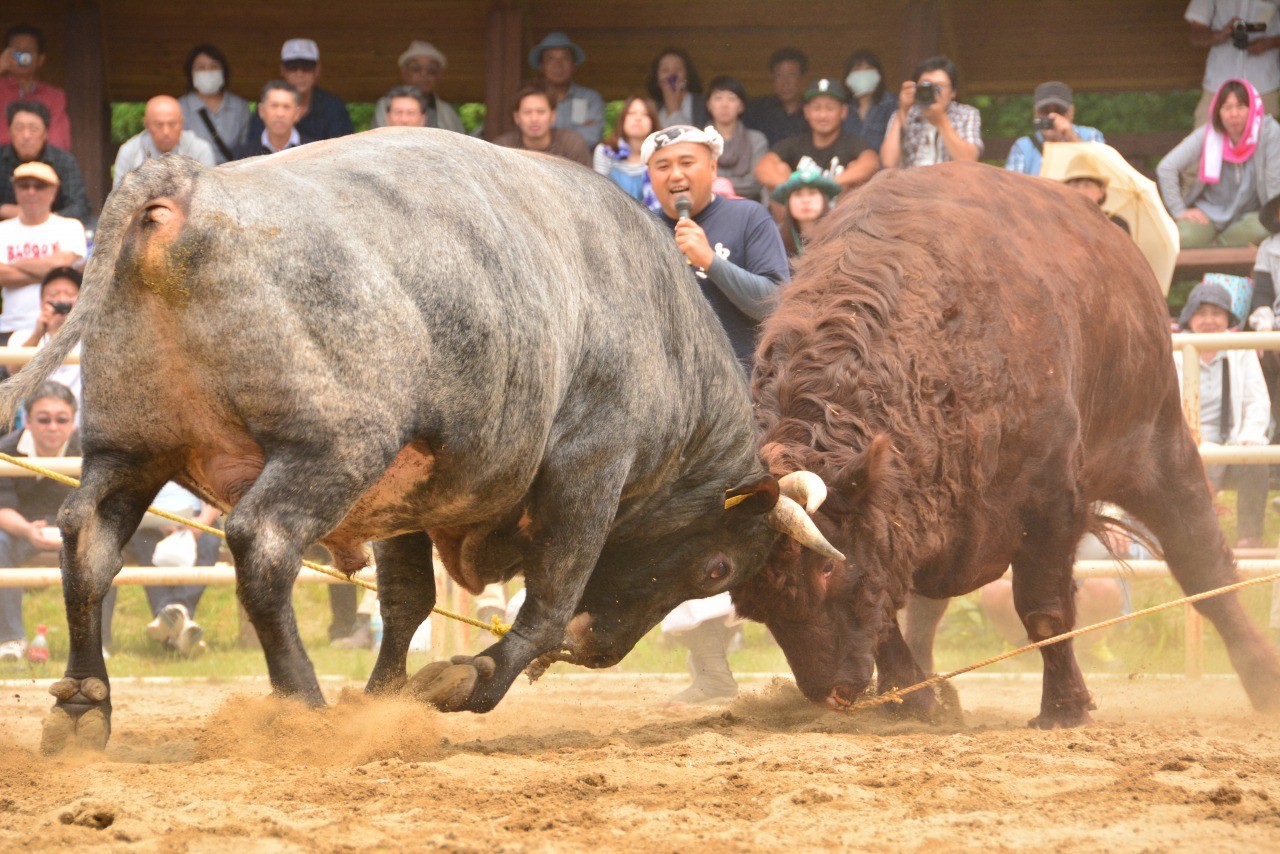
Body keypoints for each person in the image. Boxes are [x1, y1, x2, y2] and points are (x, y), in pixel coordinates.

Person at [643, 124, 789, 703]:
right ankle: (710, 675)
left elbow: (775, 302)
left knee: (757, 531)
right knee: (680, 536)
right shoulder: (637, 229)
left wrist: (708, 261)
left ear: (712, 166)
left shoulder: (748, 219)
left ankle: (816, 664)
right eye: (662, 166)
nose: (675, 175)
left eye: (687, 162)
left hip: (745, 405)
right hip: (665, 414)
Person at [0, 382, 115, 661]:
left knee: (103, 546)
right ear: (27, 421)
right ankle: (10, 639)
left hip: (75, 528)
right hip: (20, 529)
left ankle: (93, 642)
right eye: (44, 419)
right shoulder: (6, 451)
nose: (53, 427)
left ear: (74, 421)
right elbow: (2, 509)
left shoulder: (90, 452)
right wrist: (27, 530)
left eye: (61, 420)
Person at [1175, 279, 1271, 547]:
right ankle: (1182, 546)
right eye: (1201, 313)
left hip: (1231, 442)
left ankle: (1249, 539)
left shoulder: (1241, 349)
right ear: (1189, 318)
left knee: (1256, 460)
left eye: (1217, 313)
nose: (1209, 320)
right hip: (1185, 445)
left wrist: (1249, 437)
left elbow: (1257, 400)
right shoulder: (1174, 349)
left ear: (1228, 318)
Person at [1157, 77, 1280, 248]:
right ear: (1218, 111)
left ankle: (1217, 246)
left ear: (1252, 108)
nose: (1234, 114)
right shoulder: (1208, 133)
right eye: (1227, 107)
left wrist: (1274, 215)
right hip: (1208, 215)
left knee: (1264, 229)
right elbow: (1166, 167)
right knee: (1181, 237)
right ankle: (1218, 245)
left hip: (1250, 215)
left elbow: (1275, 180)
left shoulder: (1269, 132)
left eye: (1241, 106)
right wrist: (1179, 210)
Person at [0, 162, 85, 346]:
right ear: (15, 190)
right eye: (24, 186)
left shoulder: (70, 226)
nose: (31, 192)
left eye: (39, 186)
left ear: (53, 191)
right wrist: (54, 271)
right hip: (11, 328)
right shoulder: (2, 230)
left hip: (63, 327)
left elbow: (63, 263)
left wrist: (14, 265)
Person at [755, 78, 879, 196]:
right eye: (816, 108)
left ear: (843, 111)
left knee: (854, 171)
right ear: (806, 112)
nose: (823, 115)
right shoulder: (796, 143)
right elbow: (763, 167)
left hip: (840, 206)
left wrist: (830, 185)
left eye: (830, 108)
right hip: (801, 206)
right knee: (780, 169)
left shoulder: (853, 143)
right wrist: (793, 188)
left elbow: (871, 163)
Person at [880, 55, 983, 169]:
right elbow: (889, 163)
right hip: (912, 179)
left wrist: (941, 120)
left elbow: (969, 160)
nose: (932, 92)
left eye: (939, 86)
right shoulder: (905, 113)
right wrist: (902, 111)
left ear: (953, 92)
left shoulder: (966, 114)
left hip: (951, 179)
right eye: (926, 86)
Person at [1187, 1, 1280, 125]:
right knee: (1206, 135)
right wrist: (1220, 35)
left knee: (1266, 136)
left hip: (1264, 84)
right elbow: (1195, 35)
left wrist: (1270, 43)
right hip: (1218, 84)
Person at [246, 38, 353, 145]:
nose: (299, 73)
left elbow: (344, 149)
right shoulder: (268, 105)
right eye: (292, 66)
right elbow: (253, 147)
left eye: (307, 66)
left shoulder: (334, 107)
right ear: (282, 70)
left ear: (317, 70)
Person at [0, 100, 89, 223]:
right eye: (19, 128)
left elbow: (80, 206)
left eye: (33, 129)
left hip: (53, 230)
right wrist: (4, 210)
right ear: (10, 131)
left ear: (45, 133)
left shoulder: (64, 161)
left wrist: (46, 220)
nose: (26, 136)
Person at [10, 267, 82, 403]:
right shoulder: (21, 336)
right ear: (41, 301)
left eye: (69, 293)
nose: (62, 299)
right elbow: (13, 370)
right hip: (36, 414)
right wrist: (38, 333)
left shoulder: (92, 338)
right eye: (54, 294)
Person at [112, 95, 216, 188]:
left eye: (172, 124)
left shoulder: (199, 150)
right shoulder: (129, 151)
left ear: (182, 123)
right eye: (159, 125)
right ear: (146, 124)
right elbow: (118, 198)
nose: (166, 131)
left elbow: (209, 194)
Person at [1005, 81, 1106, 176]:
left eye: (1060, 110)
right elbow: (1011, 185)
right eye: (1044, 110)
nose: (1052, 116)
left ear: (1071, 111)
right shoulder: (1023, 147)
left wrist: (1071, 136)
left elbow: (1103, 172)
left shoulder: (1091, 136)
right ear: (1035, 113)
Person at [0, 23, 69, 151]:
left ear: (40, 59)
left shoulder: (55, 96)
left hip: (41, 161)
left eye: (27, 52)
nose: (22, 57)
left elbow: (59, 142)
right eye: (16, 52)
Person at [177, 43, 250, 165]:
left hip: (232, 174)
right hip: (192, 174)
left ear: (223, 71)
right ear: (191, 73)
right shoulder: (179, 107)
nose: (208, 71)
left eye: (214, 66)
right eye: (201, 67)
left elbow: (246, 148)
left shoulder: (240, 107)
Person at [528, 32, 605, 148]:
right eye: (550, 59)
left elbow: (592, 136)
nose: (558, 65)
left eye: (565, 58)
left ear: (574, 65)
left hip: (579, 160)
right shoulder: (530, 100)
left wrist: (545, 139)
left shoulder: (589, 98)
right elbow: (527, 137)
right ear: (541, 67)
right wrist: (574, 135)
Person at [372, 40, 465, 133]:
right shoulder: (385, 105)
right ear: (404, 72)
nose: (424, 74)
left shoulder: (447, 112)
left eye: (431, 70)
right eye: (416, 68)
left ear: (439, 75)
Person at [492, 83, 592, 167]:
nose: (534, 119)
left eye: (541, 111)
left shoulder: (572, 143)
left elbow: (586, 182)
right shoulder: (502, 147)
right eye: (527, 112)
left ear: (553, 116)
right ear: (517, 117)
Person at [592, 95, 661, 211]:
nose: (638, 118)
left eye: (645, 114)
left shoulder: (661, 153)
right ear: (622, 119)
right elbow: (598, 193)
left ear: (653, 122)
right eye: (631, 113)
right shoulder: (605, 151)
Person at [704, 76, 767, 203]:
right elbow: (697, 181)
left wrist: (717, 185)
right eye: (718, 98)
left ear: (741, 106)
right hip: (709, 206)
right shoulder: (699, 141)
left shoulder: (756, 140)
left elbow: (754, 183)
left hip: (748, 206)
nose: (724, 104)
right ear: (709, 105)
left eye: (731, 98)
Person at [743, 47, 809, 146]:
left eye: (791, 75)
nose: (785, 83)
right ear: (772, 78)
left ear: (803, 78)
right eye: (779, 76)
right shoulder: (757, 110)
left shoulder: (813, 111)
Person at [232, 81, 311, 159]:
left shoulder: (312, 151)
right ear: (261, 110)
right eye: (274, 106)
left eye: (286, 107)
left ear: (297, 113)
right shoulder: (243, 154)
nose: (280, 114)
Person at [772, 166, 840, 259]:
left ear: (824, 199)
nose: (805, 200)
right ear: (788, 202)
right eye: (798, 194)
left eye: (812, 193)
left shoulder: (840, 235)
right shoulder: (775, 240)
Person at [1058, 153, 1131, 233]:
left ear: (1101, 191)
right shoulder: (1057, 224)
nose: (1081, 192)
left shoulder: (1117, 225)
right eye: (1075, 186)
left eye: (1087, 185)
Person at [841, 48, 898, 151]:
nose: (863, 74)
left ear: (878, 74)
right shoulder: (843, 107)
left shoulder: (891, 104)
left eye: (868, 69)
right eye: (857, 70)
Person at [646, 48, 707, 128]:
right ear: (657, 80)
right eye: (665, 70)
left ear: (687, 76)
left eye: (678, 69)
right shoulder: (653, 110)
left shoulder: (704, 105)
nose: (672, 74)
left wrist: (674, 109)